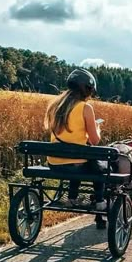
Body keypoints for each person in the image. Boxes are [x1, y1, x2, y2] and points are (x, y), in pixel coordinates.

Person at [44, 68, 106, 211]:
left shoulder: (55, 106)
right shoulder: (85, 108)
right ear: (87, 89)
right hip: (75, 164)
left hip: (53, 162)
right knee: (99, 165)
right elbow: (94, 141)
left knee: (77, 157)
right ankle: (100, 201)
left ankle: (72, 198)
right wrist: (97, 127)